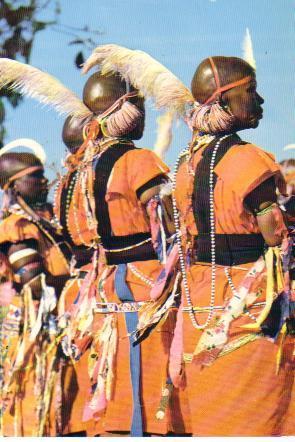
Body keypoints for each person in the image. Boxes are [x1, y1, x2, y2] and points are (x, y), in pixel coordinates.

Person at [54, 71, 189, 436]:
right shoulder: (138, 161)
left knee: (120, 373)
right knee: (156, 374)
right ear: (120, 110)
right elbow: (166, 223)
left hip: (108, 283)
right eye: (137, 105)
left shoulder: (81, 171)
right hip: (150, 281)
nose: (143, 114)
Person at [172, 56, 294, 436]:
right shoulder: (245, 160)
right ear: (224, 99)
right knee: (257, 415)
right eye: (251, 92)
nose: (260, 102)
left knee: (216, 415)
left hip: (201, 298)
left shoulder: (186, 164)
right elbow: (276, 236)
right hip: (250, 302)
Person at [0, 139, 71, 436]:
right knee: (36, 413)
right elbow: (35, 285)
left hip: (53, 327)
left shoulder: (42, 223)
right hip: (35, 333)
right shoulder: (17, 227)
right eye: (36, 176)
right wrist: (77, 284)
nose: (44, 181)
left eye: (43, 175)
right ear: (14, 186)